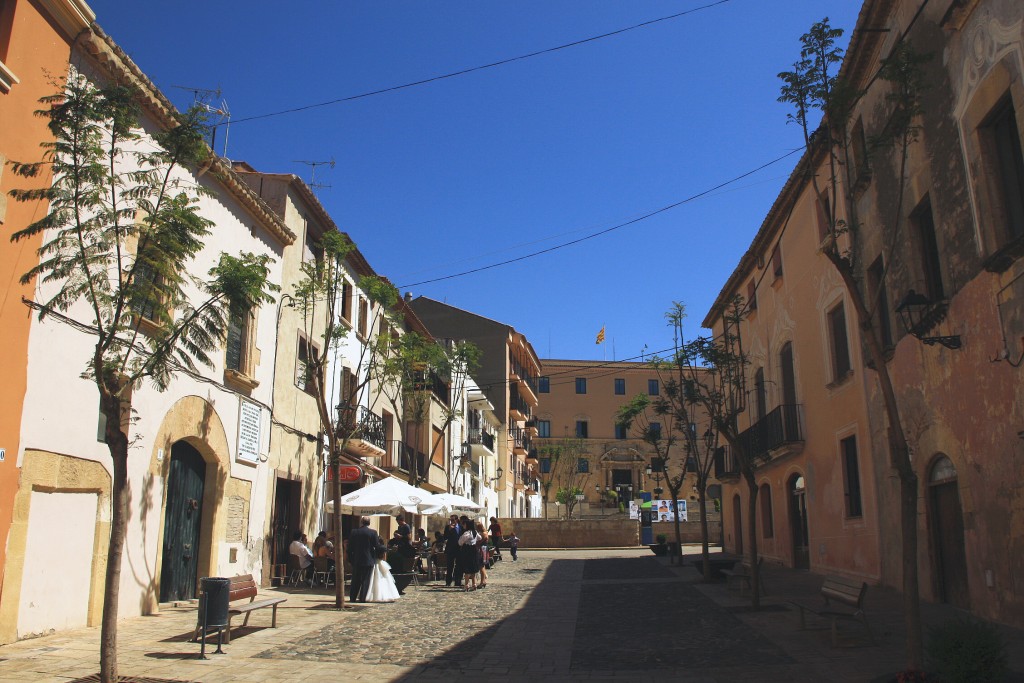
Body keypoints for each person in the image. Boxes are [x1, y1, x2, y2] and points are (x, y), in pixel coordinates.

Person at [347, 516, 384, 603]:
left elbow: (349, 548)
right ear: (369, 523)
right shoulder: (373, 533)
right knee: (365, 580)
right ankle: (362, 598)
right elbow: (377, 546)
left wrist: (351, 559)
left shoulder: (354, 532)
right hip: (368, 560)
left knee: (355, 580)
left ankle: (352, 598)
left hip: (357, 560)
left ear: (361, 522)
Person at [458, 515, 481, 591]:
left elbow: (460, 542)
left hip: (467, 551)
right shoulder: (475, 532)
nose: (463, 526)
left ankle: (466, 585)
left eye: (464, 524)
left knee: (467, 568)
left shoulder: (467, 533)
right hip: (474, 550)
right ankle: (474, 584)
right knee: (473, 568)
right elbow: (479, 538)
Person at [443, 514, 462, 587]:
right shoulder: (447, 527)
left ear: (457, 520)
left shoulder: (460, 527)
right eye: (450, 520)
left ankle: (457, 581)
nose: (451, 521)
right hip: (450, 549)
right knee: (449, 566)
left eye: (453, 520)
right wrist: (449, 530)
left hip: (458, 549)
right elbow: (445, 537)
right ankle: (448, 582)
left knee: (458, 566)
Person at [476, 521, 490, 587]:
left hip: (482, 549)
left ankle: (482, 582)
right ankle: (483, 581)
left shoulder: (483, 533)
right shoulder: (485, 532)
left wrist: (477, 543)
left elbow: (482, 540)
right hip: (484, 549)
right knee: (482, 566)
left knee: (481, 566)